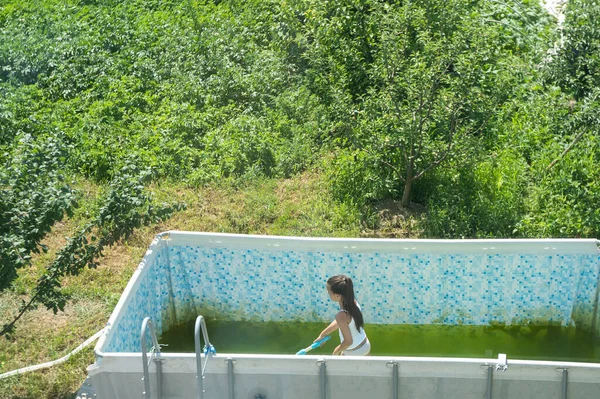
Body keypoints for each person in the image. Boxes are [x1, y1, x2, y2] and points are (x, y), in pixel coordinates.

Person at [314, 274, 370, 356]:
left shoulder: (341, 315)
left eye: (329, 291)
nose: (327, 293)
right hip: (365, 344)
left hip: (354, 351)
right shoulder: (353, 303)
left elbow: (348, 342)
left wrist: (335, 352)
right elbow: (341, 322)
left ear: (337, 295)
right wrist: (323, 334)